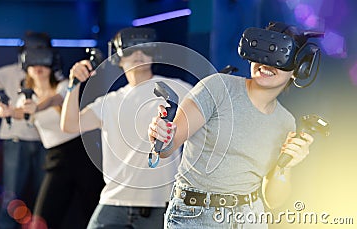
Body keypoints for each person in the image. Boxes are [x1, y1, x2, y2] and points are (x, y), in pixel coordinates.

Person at [148, 22, 320, 228]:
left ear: (299, 68)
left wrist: (286, 166)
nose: (266, 64)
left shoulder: (286, 122)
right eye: (262, 51)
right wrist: (162, 134)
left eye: (280, 57)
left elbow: (274, 199)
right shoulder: (218, 87)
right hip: (194, 217)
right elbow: (168, 146)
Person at [60, 27, 193, 228]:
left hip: (160, 203)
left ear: (154, 52)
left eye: (145, 48)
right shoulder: (109, 102)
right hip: (114, 201)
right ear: (118, 57)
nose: (138, 53)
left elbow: (211, 113)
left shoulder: (178, 88)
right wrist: (73, 85)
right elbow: (69, 125)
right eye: (130, 49)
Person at [0, 41, 104, 228]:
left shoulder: (64, 85)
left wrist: (37, 107)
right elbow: (21, 112)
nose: (38, 67)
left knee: (94, 212)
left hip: (82, 153)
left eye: (43, 61)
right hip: (56, 158)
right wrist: (7, 111)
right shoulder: (26, 97)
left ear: (51, 64)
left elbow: (57, 99)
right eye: (33, 62)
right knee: (42, 219)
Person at [0, 32, 50, 229]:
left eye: (40, 51)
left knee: (43, 194)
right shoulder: (12, 72)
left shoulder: (51, 74)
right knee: (13, 194)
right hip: (16, 139)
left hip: (45, 140)